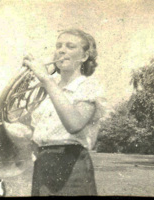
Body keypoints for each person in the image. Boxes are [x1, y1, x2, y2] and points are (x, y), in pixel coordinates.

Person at [22, 29, 108, 196]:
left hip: (72, 163)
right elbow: (31, 129)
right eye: (58, 46)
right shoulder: (47, 87)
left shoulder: (89, 85)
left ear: (84, 57)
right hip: (42, 163)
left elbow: (74, 124)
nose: (61, 50)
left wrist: (45, 78)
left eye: (70, 46)